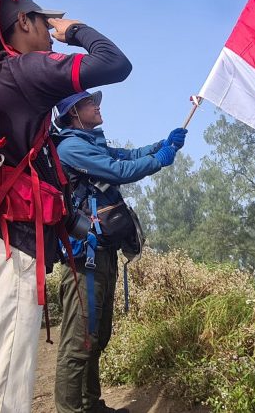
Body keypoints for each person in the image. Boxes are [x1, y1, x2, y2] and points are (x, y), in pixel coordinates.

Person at [0, 0, 132, 413]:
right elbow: (115, 63)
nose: (52, 32)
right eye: (46, 24)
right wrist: (76, 31)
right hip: (4, 256)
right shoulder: (25, 70)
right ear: (24, 23)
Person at [51, 90, 185, 413]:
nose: (97, 106)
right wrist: (160, 160)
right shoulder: (70, 148)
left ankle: (91, 404)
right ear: (73, 114)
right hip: (84, 258)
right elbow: (119, 171)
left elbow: (124, 156)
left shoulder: (89, 144)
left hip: (102, 251)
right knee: (79, 343)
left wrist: (160, 145)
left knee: (96, 336)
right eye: (89, 104)